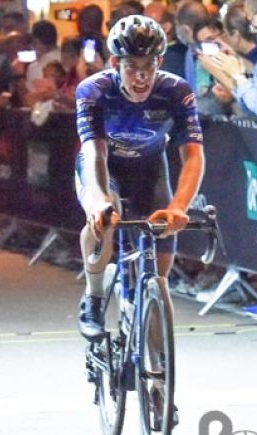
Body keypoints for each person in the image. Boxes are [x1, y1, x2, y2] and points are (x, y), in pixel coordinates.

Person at [75, 15, 204, 344]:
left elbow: (193, 156)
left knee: (159, 268)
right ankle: (93, 297)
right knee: (105, 217)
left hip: (149, 168)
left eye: (149, 65)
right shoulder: (94, 91)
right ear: (115, 64)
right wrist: (101, 201)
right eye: (132, 66)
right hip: (103, 167)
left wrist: (178, 207)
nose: (142, 76)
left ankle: (156, 369)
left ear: (160, 62)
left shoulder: (176, 91)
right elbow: (95, 153)